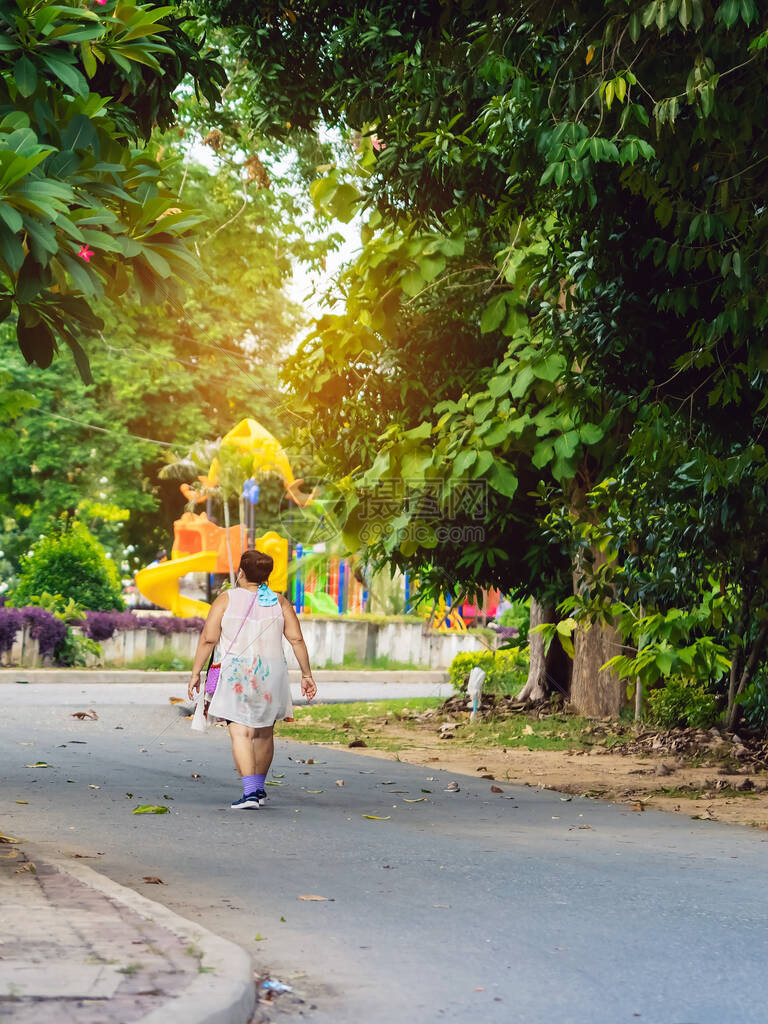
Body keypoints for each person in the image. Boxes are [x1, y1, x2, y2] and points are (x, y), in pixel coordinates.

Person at [187, 549, 318, 809]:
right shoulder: (279, 602)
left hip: (236, 674)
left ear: (241, 573)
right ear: (266, 575)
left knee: (240, 731)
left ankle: (249, 795)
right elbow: (296, 639)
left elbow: (209, 639)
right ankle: (258, 790)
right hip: (271, 675)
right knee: (263, 732)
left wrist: (195, 674)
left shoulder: (226, 599)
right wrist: (306, 674)